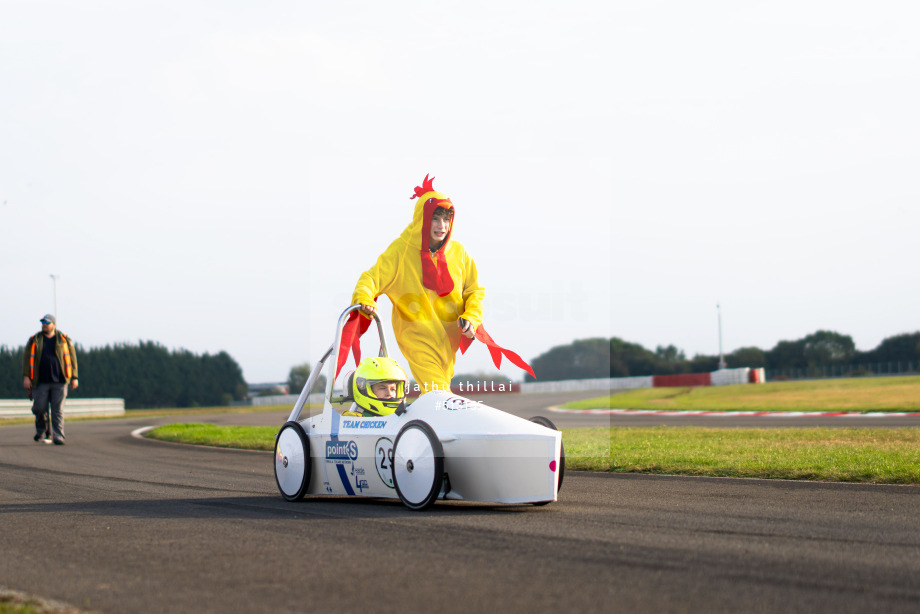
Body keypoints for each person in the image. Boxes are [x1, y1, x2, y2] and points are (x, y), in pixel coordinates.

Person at [349, 174, 485, 394]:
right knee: (438, 392)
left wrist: (472, 318)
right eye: (435, 218)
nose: (442, 226)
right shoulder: (400, 251)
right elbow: (370, 279)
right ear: (422, 218)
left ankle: (423, 426)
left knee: (437, 393)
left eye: (446, 219)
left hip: (448, 340)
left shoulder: (459, 252)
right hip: (417, 336)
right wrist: (365, 299)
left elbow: (474, 291)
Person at [22, 314, 79, 445]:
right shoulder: (34, 340)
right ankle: (41, 430)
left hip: (59, 381)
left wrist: (74, 377)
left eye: (47, 322)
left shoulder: (64, 339)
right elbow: (26, 359)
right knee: (39, 408)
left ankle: (58, 436)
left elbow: (72, 358)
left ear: (54, 324)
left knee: (57, 409)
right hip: (40, 381)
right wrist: (26, 377)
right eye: (42, 322)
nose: (44, 324)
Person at [341, 357, 409, 417]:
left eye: (393, 389)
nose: (389, 393)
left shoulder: (404, 417)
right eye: (382, 388)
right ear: (364, 389)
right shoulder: (353, 422)